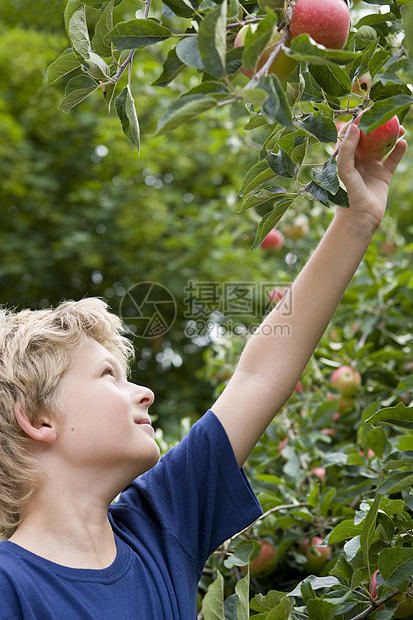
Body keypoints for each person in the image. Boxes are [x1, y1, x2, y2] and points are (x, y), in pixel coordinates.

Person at [0, 124, 407, 619]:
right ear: (40, 419)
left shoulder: (158, 528)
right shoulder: (11, 585)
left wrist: (357, 219)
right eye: (109, 375)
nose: (145, 393)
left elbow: (259, 375)